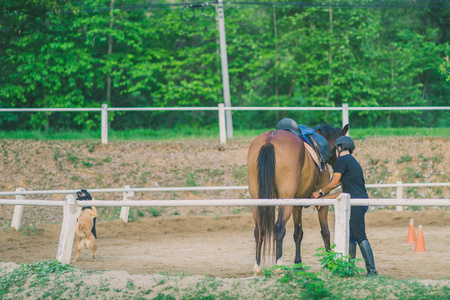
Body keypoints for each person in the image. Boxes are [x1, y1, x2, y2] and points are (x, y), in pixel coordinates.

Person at [312, 136, 378, 277]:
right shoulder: (353, 162)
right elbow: (342, 192)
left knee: (360, 235)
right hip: (359, 201)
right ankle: (350, 269)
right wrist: (324, 199)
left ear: (339, 148)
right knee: (352, 237)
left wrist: (320, 192)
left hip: (355, 202)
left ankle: (372, 271)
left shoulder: (341, 160)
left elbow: (334, 182)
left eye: (335, 149)